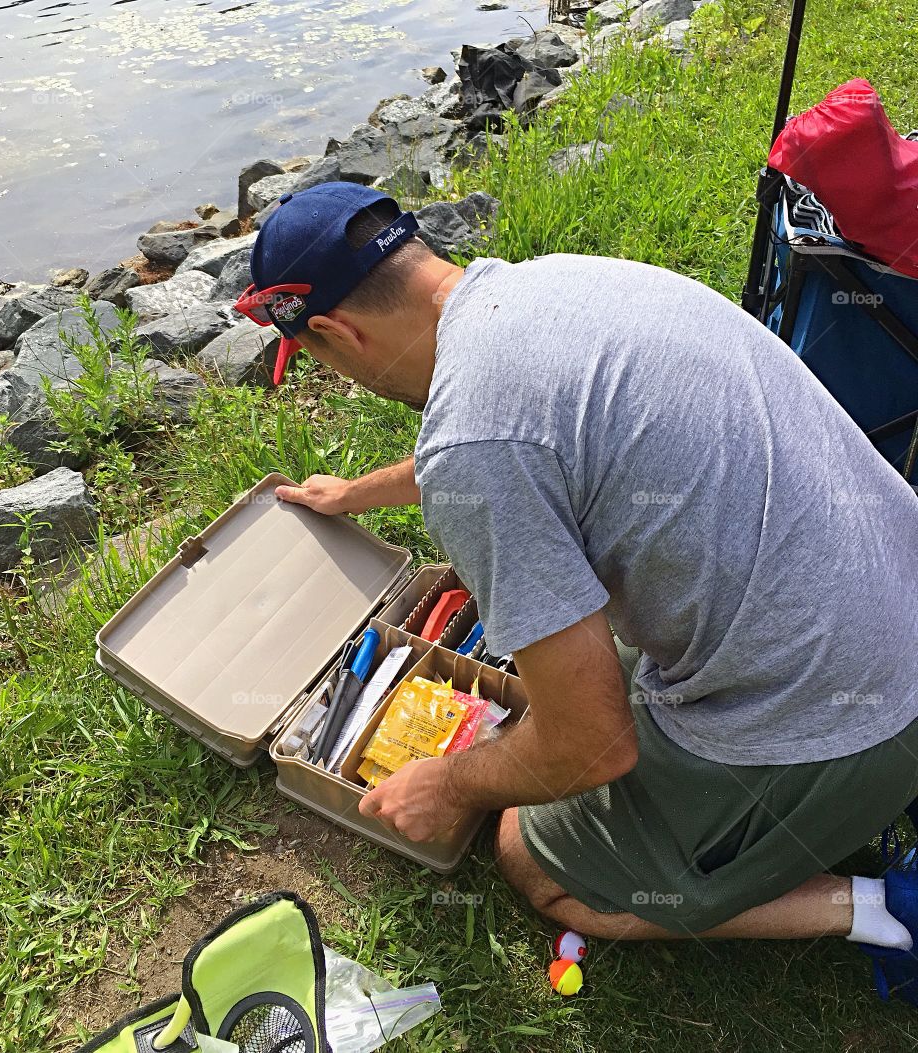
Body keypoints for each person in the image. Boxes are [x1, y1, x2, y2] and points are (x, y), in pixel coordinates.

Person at [234, 181, 918, 998]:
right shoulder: (549, 288)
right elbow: (526, 437)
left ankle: (876, 906)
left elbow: (595, 744)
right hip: (889, 591)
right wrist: (359, 493)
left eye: (317, 359)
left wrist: (445, 782)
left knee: (530, 853)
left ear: (336, 332)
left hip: (861, 713)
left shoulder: (474, 447)